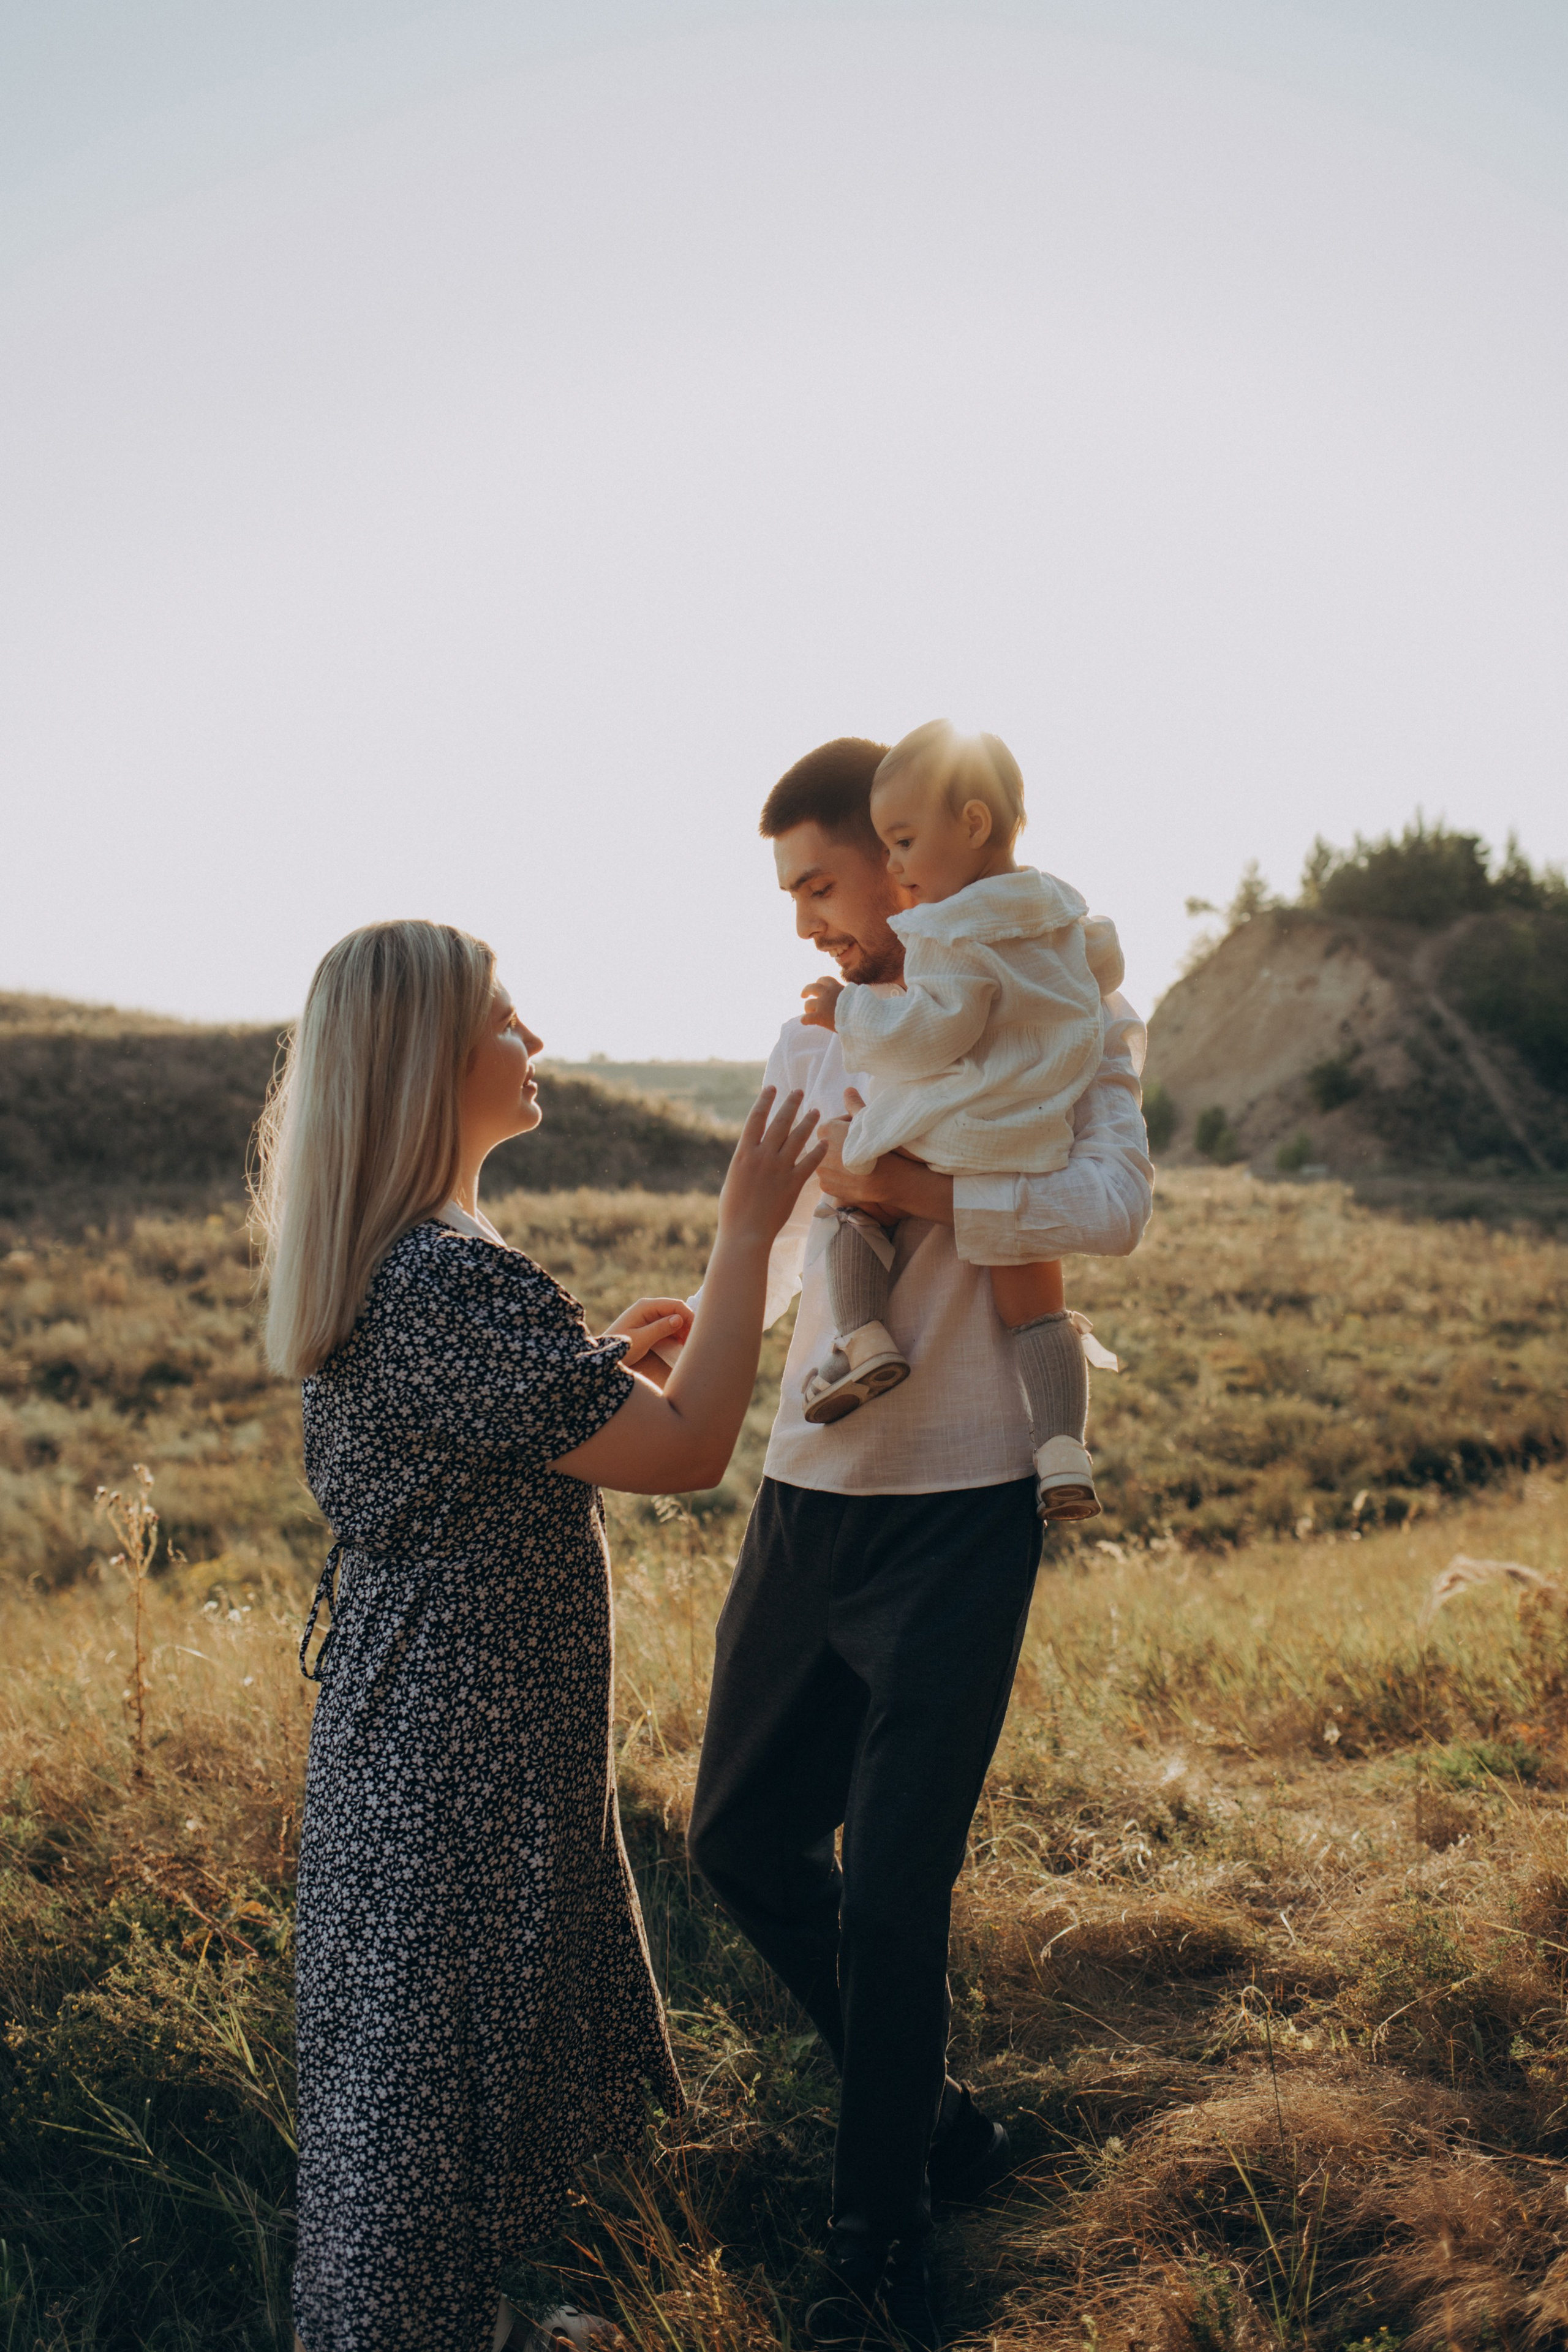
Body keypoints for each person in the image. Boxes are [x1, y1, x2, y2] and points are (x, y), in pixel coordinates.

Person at [252, 918, 824, 2352]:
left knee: (428, 2109)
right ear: (427, 1062)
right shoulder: (446, 1284)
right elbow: (695, 1452)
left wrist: (598, 1371)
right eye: (508, 1020)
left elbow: (512, 1447)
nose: (538, 1040)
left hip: (432, 1755)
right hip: (461, 1776)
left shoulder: (418, 1267)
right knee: (438, 2120)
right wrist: (748, 1225)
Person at [682, 740, 1152, 2349]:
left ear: (914, 861)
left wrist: (929, 1189)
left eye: (826, 883)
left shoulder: (1074, 993)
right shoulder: (816, 1024)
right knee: (740, 1842)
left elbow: (1110, 1208)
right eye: (801, 893)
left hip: (963, 1509)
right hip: (810, 1492)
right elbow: (795, 1214)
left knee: (891, 1895)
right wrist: (722, 1311)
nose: (811, 920)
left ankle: (874, 2246)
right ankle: (936, 2120)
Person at [796, 717, 1129, 1525]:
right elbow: (1102, 967)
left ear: (973, 825)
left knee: (857, 1188)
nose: (898, 865)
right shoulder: (1061, 910)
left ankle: (866, 1339)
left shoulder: (950, 933)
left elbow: (933, 1032)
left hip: (958, 1128)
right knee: (1036, 1302)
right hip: (1035, 1141)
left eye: (904, 842)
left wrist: (850, 1017)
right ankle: (1061, 1448)